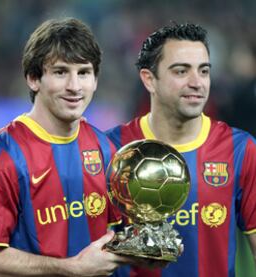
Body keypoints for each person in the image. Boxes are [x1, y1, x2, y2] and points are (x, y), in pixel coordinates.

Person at [0, 18, 154, 276]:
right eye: (61, 72)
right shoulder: (1, 158)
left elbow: (112, 237)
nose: (74, 87)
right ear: (33, 78)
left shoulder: (105, 149)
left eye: (83, 72)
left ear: (95, 80)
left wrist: (147, 249)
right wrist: (72, 269)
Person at [106, 23, 256, 277]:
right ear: (149, 80)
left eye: (204, 71)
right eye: (181, 71)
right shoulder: (111, 148)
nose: (197, 83)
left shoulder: (240, 149)